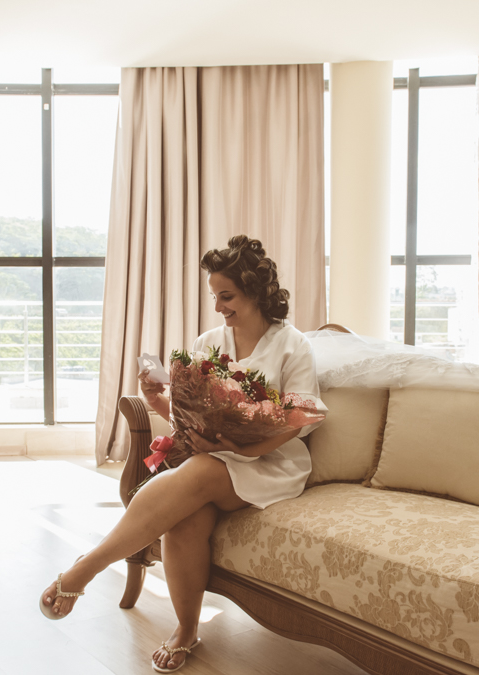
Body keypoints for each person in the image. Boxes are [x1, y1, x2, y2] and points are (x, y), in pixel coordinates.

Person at [39, 235, 325, 673]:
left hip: (270, 462)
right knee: (184, 518)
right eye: (215, 296)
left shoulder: (293, 345)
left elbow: (299, 419)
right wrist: (158, 400)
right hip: (212, 458)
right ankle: (186, 630)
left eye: (227, 296)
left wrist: (240, 446)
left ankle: (88, 566)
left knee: (201, 471)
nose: (219, 306)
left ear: (255, 291)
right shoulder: (209, 341)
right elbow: (189, 415)